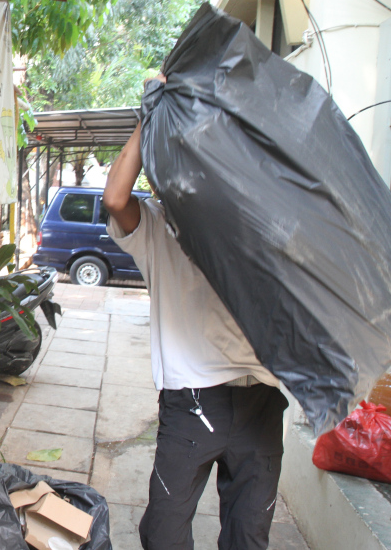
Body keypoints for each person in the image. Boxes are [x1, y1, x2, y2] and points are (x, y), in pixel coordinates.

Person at [102, 75, 288, 550]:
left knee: (249, 536)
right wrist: (150, 118)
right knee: (163, 533)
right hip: (192, 404)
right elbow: (115, 199)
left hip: (261, 403)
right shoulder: (157, 229)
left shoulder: (258, 225)